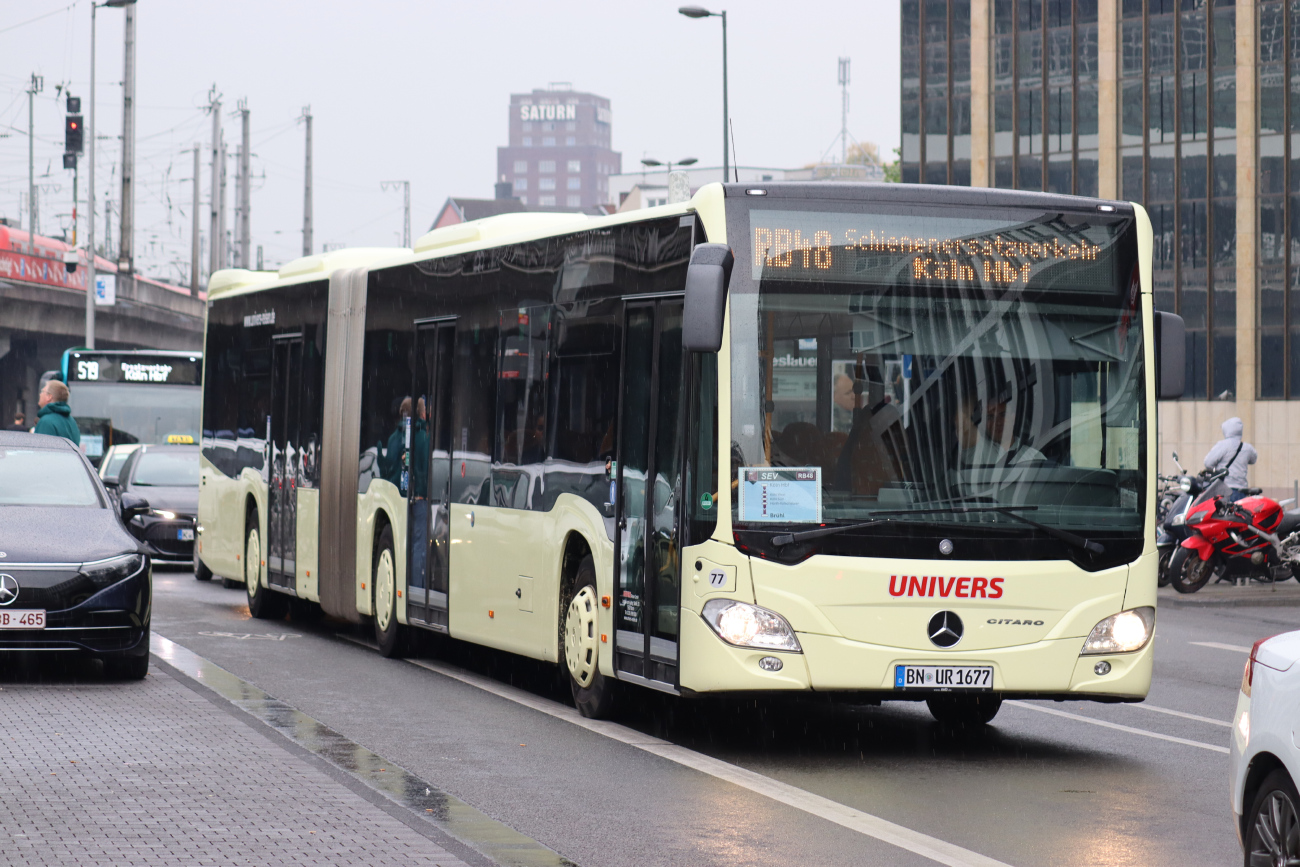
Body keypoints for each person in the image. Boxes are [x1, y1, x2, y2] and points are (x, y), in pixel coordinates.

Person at [1204, 417, 1257, 502]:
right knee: (1239, 514)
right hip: (1242, 490)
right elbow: (1253, 460)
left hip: (1224, 489)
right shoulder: (1247, 448)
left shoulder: (1222, 445)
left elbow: (1208, 462)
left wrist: (1217, 469)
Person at [33, 379, 80, 445]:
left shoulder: (46, 422)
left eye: (42, 391)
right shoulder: (71, 421)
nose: (40, 394)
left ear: (49, 397)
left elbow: (40, 451)